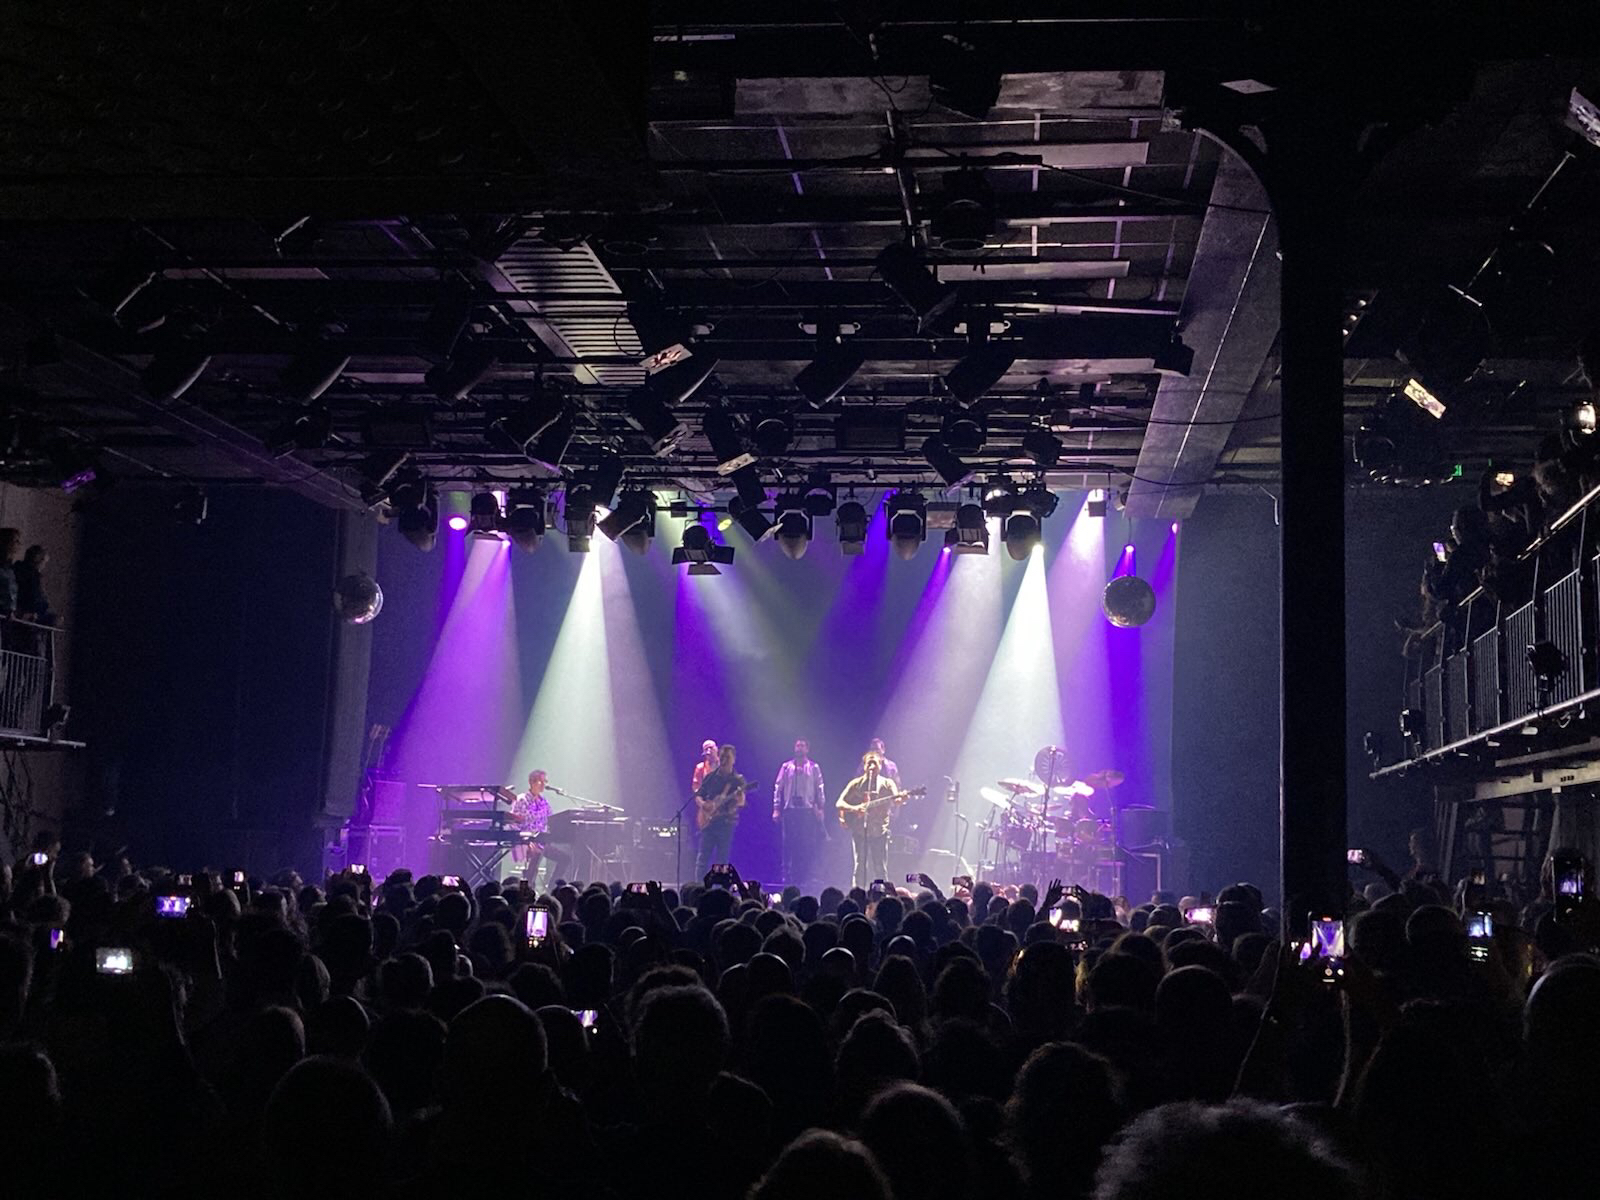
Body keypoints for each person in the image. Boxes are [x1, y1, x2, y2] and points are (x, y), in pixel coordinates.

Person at [837, 751, 898, 889]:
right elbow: (839, 803)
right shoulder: (856, 784)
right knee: (860, 865)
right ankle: (858, 893)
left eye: (874, 763)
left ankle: (882, 895)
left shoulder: (887, 783)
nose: (872, 766)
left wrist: (901, 798)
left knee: (880, 866)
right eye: (869, 763)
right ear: (864, 766)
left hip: (879, 831)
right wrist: (855, 808)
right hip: (860, 830)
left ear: (880, 765)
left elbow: (896, 798)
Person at [773, 739, 827, 889]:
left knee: (806, 843)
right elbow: (778, 787)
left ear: (807, 749)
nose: (799, 748)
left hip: (807, 811)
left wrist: (821, 807)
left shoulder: (814, 767)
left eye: (802, 746)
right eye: (797, 745)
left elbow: (820, 787)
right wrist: (776, 808)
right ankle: (787, 875)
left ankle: (805, 875)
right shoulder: (786, 767)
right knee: (788, 842)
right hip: (790, 810)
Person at [695, 744, 748, 878]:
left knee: (722, 861)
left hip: (726, 823)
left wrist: (738, 800)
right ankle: (699, 886)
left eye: (727, 757)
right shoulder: (710, 777)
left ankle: (720, 888)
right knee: (702, 859)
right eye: (722, 757)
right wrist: (704, 805)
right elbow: (698, 795)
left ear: (733, 759)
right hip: (709, 823)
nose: (724, 760)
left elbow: (742, 803)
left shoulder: (737, 780)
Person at [511, 770, 569, 886]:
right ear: (531, 782)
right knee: (537, 854)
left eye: (545, 781)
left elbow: (551, 819)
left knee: (565, 858)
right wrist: (525, 841)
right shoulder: (522, 799)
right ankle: (528, 887)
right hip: (525, 841)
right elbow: (513, 822)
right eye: (540, 781)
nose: (543, 784)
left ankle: (552, 887)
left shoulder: (544, 802)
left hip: (541, 842)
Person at [13, 546, 54, 625]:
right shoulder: (33, 577)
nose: (44, 566)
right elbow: (35, 597)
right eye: (44, 562)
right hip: (27, 614)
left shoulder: (17, 569)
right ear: (39, 561)